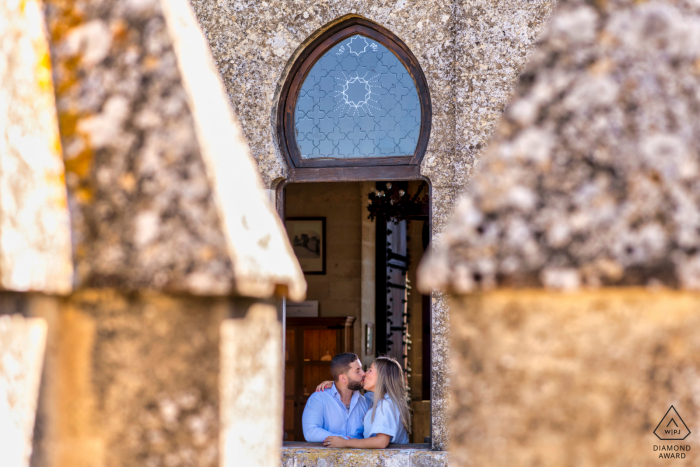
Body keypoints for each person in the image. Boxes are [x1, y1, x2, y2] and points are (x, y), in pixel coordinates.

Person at [321, 356, 411, 448]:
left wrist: (344, 443)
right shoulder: (378, 398)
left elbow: (381, 442)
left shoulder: (385, 404)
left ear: (382, 376)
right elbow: (356, 394)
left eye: (370, 370)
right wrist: (338, 383)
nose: (364, 373)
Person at [301, 352, 369, 441]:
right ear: (343, 378)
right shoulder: (319, 398)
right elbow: (310, 432)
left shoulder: (365, 401)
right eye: (358, 371)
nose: (363, 373)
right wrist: (343, 440)